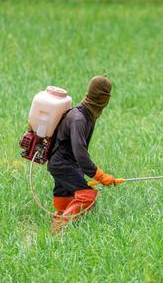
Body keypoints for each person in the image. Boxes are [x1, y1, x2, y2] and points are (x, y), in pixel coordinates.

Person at [47, 75, 119, 233]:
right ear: (104, 98)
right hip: (63, 164)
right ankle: (58, 229)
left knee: (65, 198)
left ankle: (58, 230)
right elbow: (80, 153)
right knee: (87, 195)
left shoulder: (87, 115)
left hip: (62, 163)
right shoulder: (79, 118)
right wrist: (100, 175)